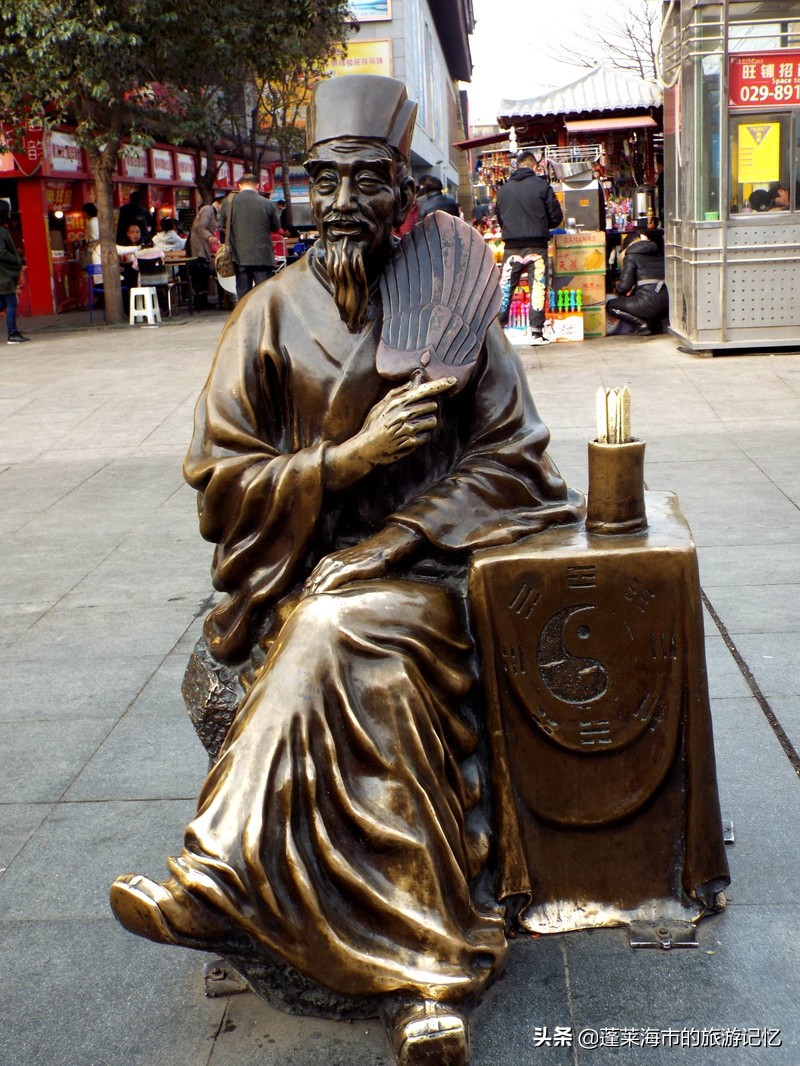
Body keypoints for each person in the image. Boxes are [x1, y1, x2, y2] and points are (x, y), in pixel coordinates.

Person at [109, 74, 581, 1066]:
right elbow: (218, 478)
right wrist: (345, 462)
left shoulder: (449, 307)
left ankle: (220, 875)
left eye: (366, 181)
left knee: (342, 627)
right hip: (296, 571)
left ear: (403, 191)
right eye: (323, 181)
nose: (340, 203)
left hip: (423, 571)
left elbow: (517, 456)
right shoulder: (269, 314)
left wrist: (394, 536)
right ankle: (423, 976)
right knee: (336, 637)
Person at [495, 150, 563, 345]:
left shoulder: (504, 190)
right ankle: (536, 333)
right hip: (537, 245)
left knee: (505, 289)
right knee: (538, 287)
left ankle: (498, 333)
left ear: (516, 166)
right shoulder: (542, 186)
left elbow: (500, 218)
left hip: (511, 247)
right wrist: (543, 224)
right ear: (535, 166)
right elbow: (556, 216)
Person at [217, 173, 280, 301]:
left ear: (239, 186)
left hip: (239, 256)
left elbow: (222, 224)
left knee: (244, 295)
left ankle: (247, 313)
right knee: (264, 294)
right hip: (263, 256)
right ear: (258, 186)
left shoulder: (228, 202)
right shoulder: (267, 203)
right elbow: (276, 227)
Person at [606, 229, 668, 336]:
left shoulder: (631, 256)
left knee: (611, 305)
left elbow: (624, 287)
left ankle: (642, 324)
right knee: (644, 296)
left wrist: (616, 285)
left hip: (649, 303)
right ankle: (655, 325)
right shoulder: (658, 254)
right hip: (667, 304)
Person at [0, 202, 30, 344]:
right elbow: (1, 252)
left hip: (3, 274)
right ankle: (12, 333)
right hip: (3, 275)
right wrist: (17, 260)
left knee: (2, 303)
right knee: (11, 302)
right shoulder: (1, 231)